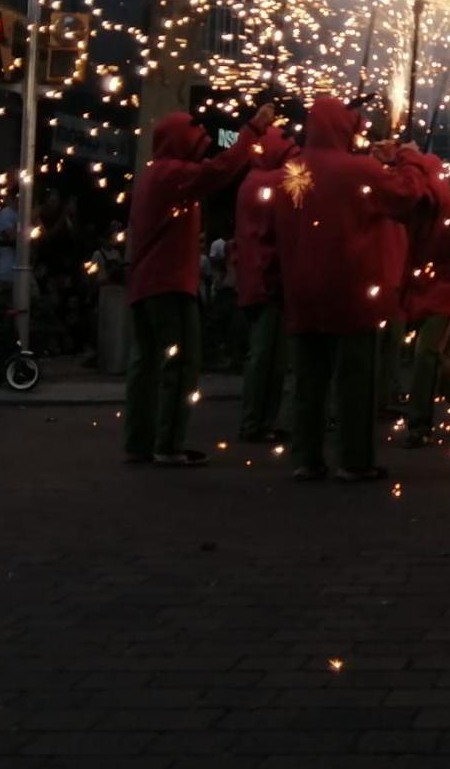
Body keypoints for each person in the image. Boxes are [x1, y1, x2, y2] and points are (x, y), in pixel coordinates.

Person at [274, 96, 424, 482]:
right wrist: (407, 160)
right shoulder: (358, 171)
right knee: (356, 380)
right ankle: (355, 460)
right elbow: (407, 196)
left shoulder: (293, 170)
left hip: (303, 290)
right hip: (352, 289)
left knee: (309, 381)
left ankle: (306, 458)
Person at [122, 105, 274, 466]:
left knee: (145, 366)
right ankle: (169, 445)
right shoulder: (173, 174)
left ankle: (139, 443)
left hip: (145, 284)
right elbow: (220, 171)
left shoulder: (152, 175)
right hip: (169, 284)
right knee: (182, 362)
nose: (202, 148)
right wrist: (252, 129)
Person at [398, 144, 450, 448]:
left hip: (445, 295)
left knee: (425, 354)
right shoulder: (416, 212)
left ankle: (418, 424)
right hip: (418, 295)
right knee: (426, 356)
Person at [231, 126, 294, 443]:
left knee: (269, 356)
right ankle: (256, 422)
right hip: (268, 283)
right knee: (267, 356)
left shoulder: (252, 181)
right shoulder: (268, 182)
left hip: (258, 280)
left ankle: (260, 421)